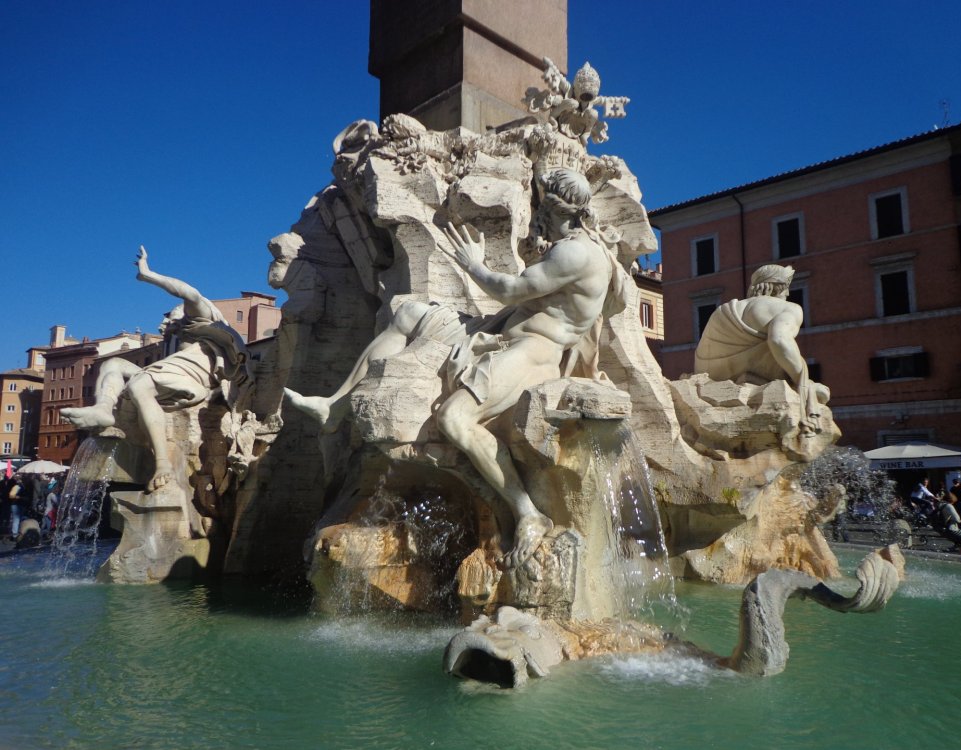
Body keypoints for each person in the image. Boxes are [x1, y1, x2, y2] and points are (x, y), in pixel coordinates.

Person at [285, 168, 626, 568]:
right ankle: (335, 406)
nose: (537, 215)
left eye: (541, 206)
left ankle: (526, 512)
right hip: (499, 331)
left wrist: (473, 264)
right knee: (409, 314)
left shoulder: (575, 252)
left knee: (454, 418)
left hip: (534, 352)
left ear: (554, 208)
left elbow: (509, 290)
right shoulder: (577, 246)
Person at [62, 248, 252, 492]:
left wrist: (148, 274)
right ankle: (104, 409)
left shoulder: (200, 321)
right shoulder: (176, 341)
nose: (163, 323)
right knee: (112, 364)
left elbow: (190, 294)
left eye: (169, 317)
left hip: (193, 384)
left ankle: (162, 464)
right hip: (166, 376)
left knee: (139, 383)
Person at [693, 264, 829, 433]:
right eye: (786, 288)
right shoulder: (789, 308)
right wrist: (802, 380)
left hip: (713, 382)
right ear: (778, 287)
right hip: (758, 384)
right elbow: (779, 340)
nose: (787, 294)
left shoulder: (722, 310)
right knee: (820, 391)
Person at [932, 492, 961, 557]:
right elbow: (957, 519)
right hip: (952, 529)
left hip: (942, 530)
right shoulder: (948, 505)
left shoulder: (939, 505)